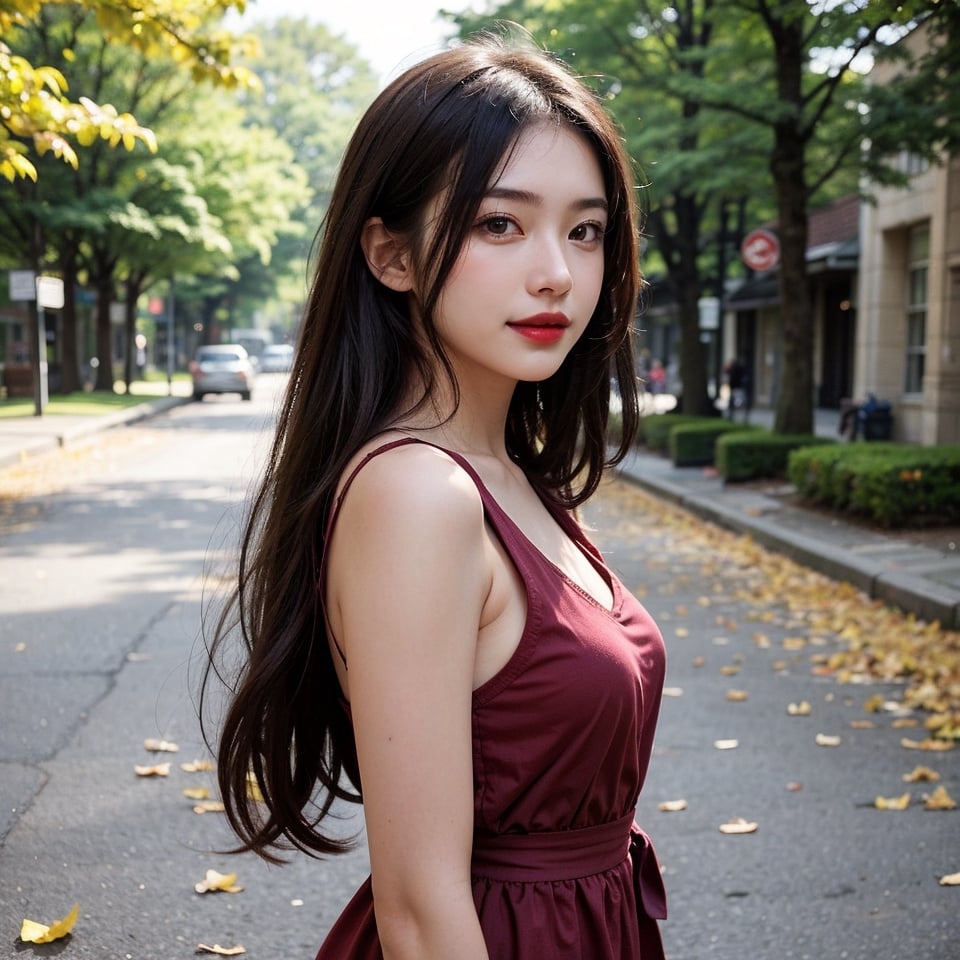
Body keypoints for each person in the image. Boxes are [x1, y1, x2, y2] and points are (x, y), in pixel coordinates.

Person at [202, 32, 667, 960]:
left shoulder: (512, 476)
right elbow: (417, 911)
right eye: (501, 223)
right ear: (392, 255)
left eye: (586, 230)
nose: (558, 273)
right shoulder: (418, 494)